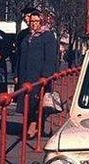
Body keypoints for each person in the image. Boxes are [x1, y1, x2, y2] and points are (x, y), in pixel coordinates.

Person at [17, 9, 58, 139]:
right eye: (32, 21)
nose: (34, 23)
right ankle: (32, 127)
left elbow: (50, 57)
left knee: (36, 103)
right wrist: (17, 74)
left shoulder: (48, 36)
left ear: (41, 21)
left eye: (36, 21)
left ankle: (33, 128)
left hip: (38, 75)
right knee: (27, 103)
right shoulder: (27, 36)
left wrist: (46, 76)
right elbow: (20, 56)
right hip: (25, 75)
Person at [13, 5, 35, 78]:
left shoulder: (45, 35)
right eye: (25, 16)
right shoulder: (22, 34)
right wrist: (16, 74)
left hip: (37, 74)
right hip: (22, 73)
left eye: (28, 16)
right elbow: (18, 55)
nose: (26, 18)